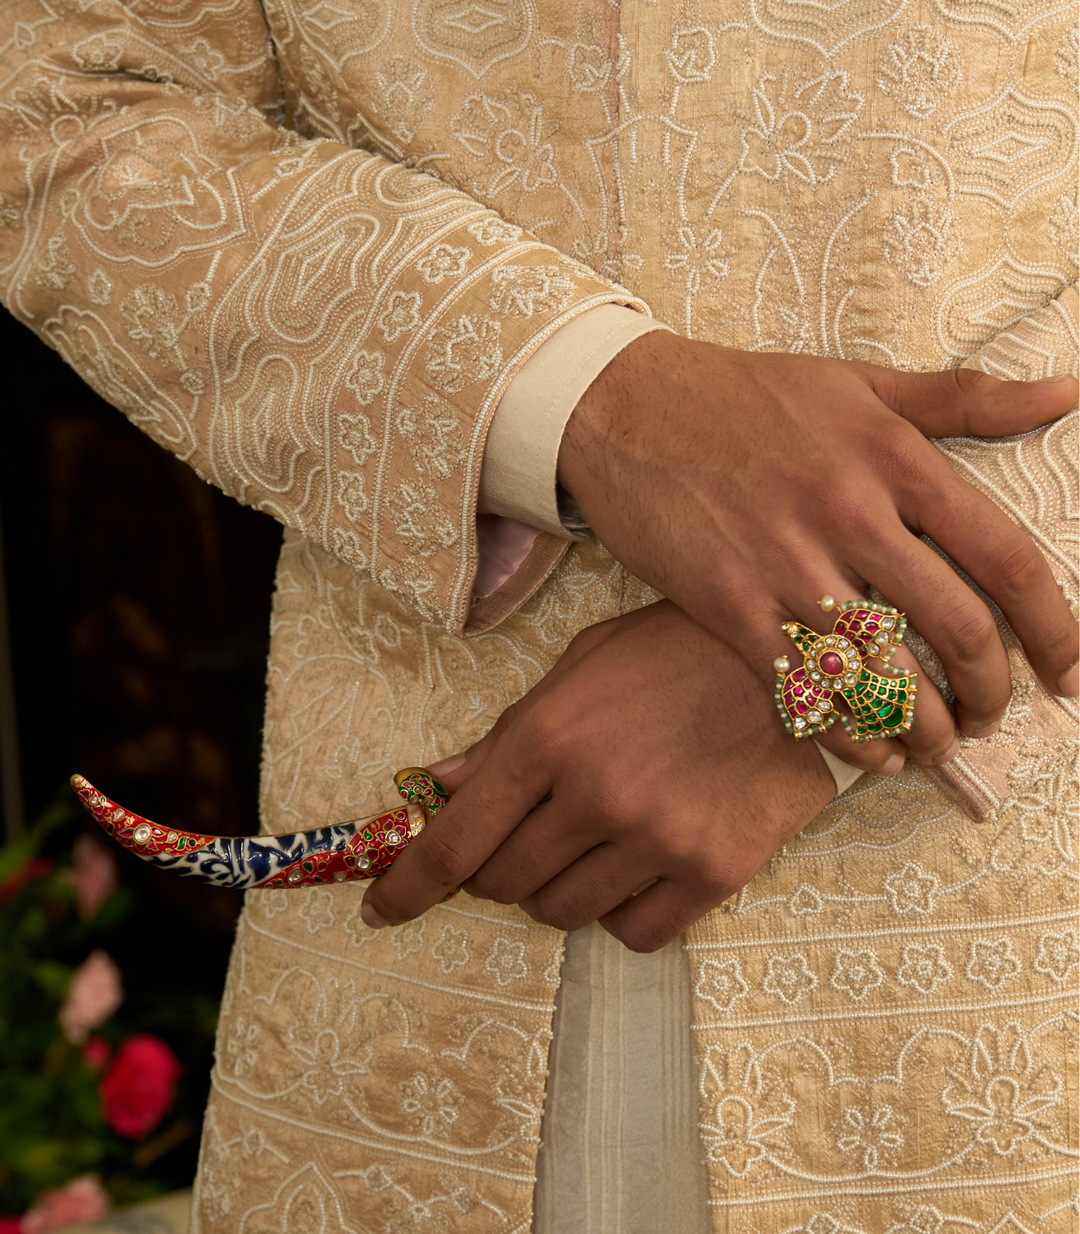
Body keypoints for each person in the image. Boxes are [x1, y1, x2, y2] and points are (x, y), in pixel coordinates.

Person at [1, 3, 1075, 1231]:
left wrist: (854, 646)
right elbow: (58, 101)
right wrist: (582, 404)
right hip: (414, 1002)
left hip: (1010, 946)